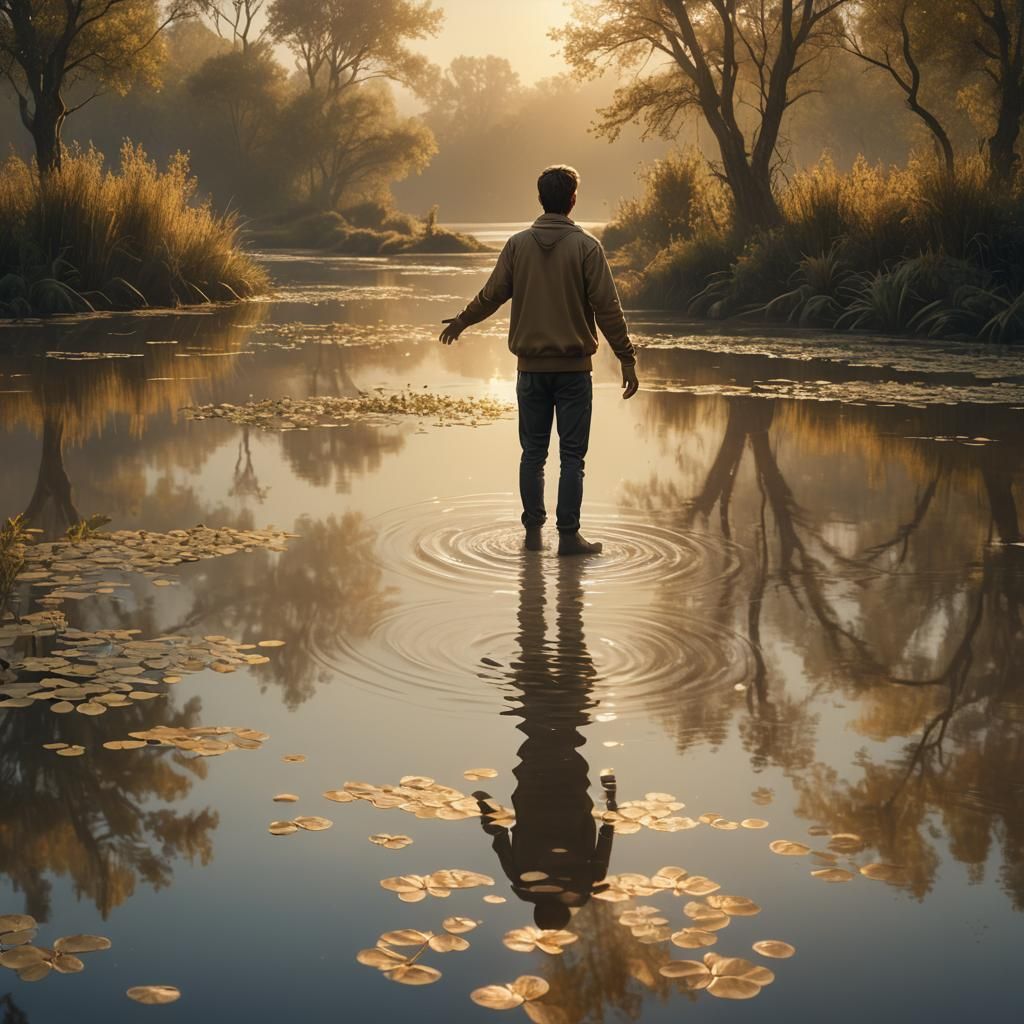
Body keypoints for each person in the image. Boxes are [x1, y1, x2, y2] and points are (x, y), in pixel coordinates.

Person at [439, 164, 639, 557]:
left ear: (539, 200)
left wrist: (462, 321)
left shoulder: (517, 245)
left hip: (529, 371)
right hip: (573, 373)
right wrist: (626, 358)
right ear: (573, 200)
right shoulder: (587, 247)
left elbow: (491, 295)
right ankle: (568, 538)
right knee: (571, 457)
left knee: (532, 454)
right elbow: (608, 309)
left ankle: (532, 537)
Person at [474, 554, 616, 926]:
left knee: (569, 637)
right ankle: (534, 579)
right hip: (536, 749)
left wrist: (611, 791)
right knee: (532, 643)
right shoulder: (521, 879)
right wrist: (480, 800)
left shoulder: (586, 880)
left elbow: (608, 827)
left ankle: (550, 579)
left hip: (568, 750)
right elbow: (497, 831)